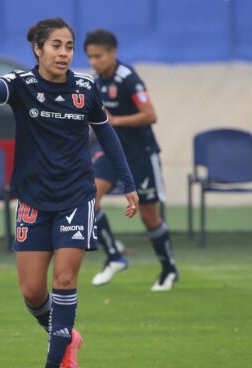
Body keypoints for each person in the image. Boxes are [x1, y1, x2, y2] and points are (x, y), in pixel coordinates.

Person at [0, 19, 137, 368]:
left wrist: (128, 183)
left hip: (76, 197)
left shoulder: (85, 89)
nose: (64, 53)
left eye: (69, 46)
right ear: (38, 49)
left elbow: (107, 134)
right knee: (32, 293)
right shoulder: (21, 85)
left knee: (65, 280)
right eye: (56, 45)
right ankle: (67, 336)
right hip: (33, 200)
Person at [83, 29, 180, 291]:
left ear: (112, 53)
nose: (94, 62)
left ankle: (168, 269)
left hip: (140, 154)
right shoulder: (95, 82)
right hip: (112, 153)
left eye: (98, 56)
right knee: (89, 199)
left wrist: (116, 121)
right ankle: (115, 256)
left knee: (149, 217)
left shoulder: (128, 79)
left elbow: (150, 115)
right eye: (90, 57)